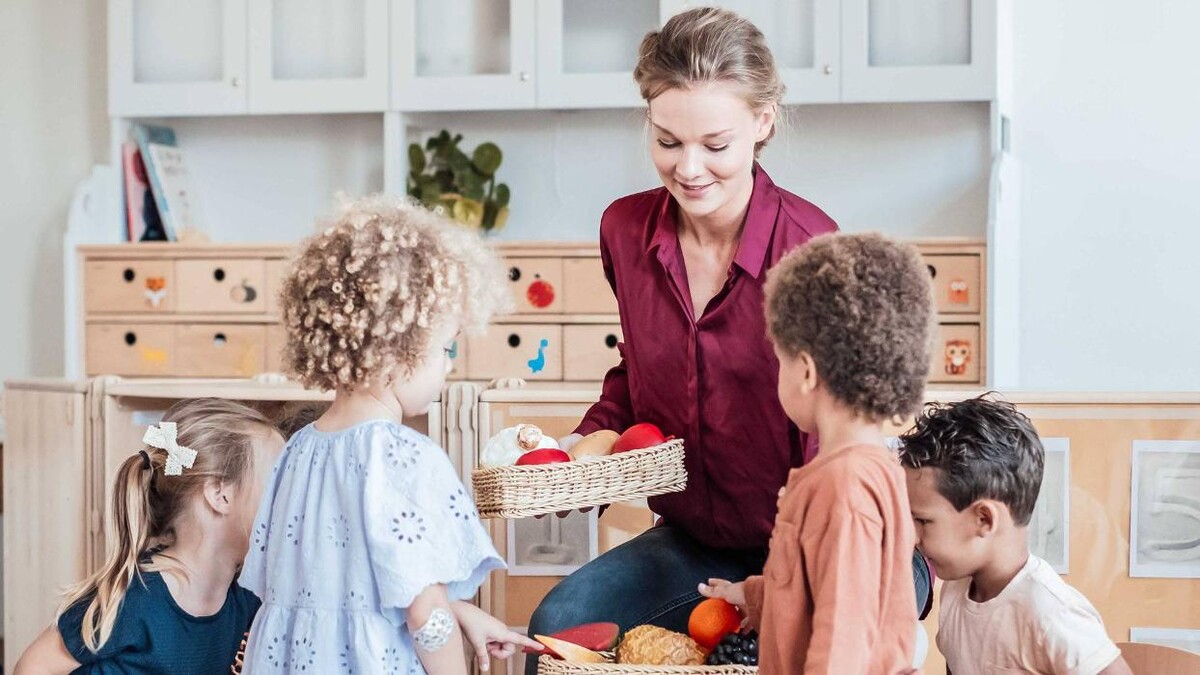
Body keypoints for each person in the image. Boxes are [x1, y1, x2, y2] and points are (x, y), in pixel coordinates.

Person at [527, 9, 931, 670]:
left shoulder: (808, 246)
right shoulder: (625, 232)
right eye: (667, 140)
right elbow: (639, 372)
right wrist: (581, 450)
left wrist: (785, 586)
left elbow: (843, 430)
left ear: (762, 122)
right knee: (558, 629)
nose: (688, 169)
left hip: (822, 536)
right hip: (695, 538)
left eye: (715, 144)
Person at [239, 195, 540, 674]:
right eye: (445, 347)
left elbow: (343, 586)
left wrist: (461, 613)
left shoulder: (297, 449)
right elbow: (425, 616)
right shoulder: (404, 457)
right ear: (393, 353)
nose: (450, 362)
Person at [701, 233, 934, 673]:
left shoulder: (842, 488)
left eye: (780, 361)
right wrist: (751, 594)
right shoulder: (872, 470)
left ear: (805, 371)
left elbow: (842, 638)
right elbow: (820, 590)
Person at [14, 399, 284, 674]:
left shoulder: (244, 597)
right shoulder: (135, 597)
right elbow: (33, 667)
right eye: (278, 481)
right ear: (220, 494)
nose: (291, 499)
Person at [899, 395, 1133, 675]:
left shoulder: (1049, 612)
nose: (911, 535)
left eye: (922, 520)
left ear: (984, 519)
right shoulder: (956, 591)